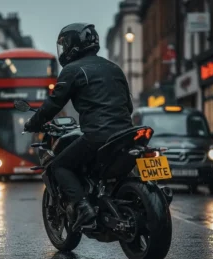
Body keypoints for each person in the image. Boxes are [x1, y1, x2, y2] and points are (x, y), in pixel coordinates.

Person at [24, 23, 133, 232]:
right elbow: (128, 106)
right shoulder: (114, 68)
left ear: (73, 45)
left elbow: (53, 104)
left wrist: (33, 123)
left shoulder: (72, 70)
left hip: (98, 135)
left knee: (59, 167)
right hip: (126, 134)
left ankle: (84, 208)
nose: (63, 49)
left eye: (65, 44)